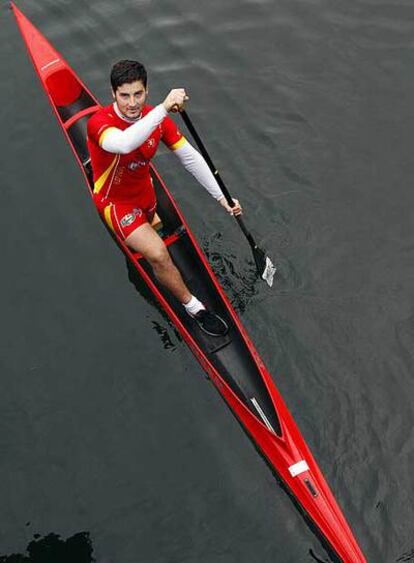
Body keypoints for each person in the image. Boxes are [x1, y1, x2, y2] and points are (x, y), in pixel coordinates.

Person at [87, 60, 242, 337]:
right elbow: (124, 144)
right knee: (158, 254)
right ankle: (195, 308)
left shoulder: (156, 120)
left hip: (145, 196)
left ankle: (149, 238)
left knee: (155, 237)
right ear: (113, 94)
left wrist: (222, 197)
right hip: (115, 203)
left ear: (146, 91)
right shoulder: (99, 123)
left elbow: (190, 158)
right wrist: (162, 109)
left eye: (138, 94)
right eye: (124, 95)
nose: (132, 103)